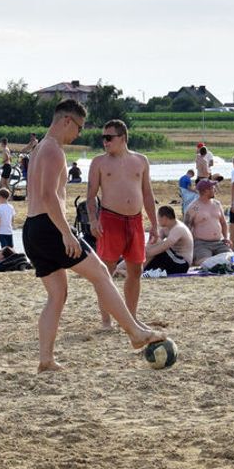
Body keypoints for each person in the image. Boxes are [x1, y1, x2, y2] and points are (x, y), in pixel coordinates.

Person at [23, 99, 168, 372]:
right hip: (49, 225)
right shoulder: (54, 150)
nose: (77, 134)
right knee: (101, 273)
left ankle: (46, 359)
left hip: (32, 229)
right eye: (77, 127)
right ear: (67, 120)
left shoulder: (39, 147)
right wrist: (66, 233)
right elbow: (48, 196)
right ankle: (135, 333)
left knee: (57, 295)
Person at [87, 119, 158, 327]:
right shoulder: (99, 162)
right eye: (103, 138)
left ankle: (132, 317)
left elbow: (147, 193)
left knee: (135, 271)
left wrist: (154, 224)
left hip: (135, 220)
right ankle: (106, 319)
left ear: (123, 138)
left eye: (109, 138)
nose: (105, 142)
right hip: (110, 219)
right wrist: (93, 220)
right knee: (105, 272)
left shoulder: (141, 160)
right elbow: (90, 196)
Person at [185, 179, 231, 265]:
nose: (215, 190)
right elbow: (186, 227)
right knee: (205, 263)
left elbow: (223, 223)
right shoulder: (194, 207)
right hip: (202, 244)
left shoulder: (217, 204)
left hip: (219, 242)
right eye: (213, 188)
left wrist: (226, 237)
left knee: (232, 259)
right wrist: (189, 245)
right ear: (206, 191)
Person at [144, 205, 194, 275]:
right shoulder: (165, 227)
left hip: (182, 263)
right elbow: (154, 241)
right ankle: (134, 267)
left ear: (164, 218)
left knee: (155, 246)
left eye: (158, 218)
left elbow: (164, 246)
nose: (158, 221)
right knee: (154, 242)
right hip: (171, 259)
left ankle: (136, 268)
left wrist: (146, 253)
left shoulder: (178, 228)